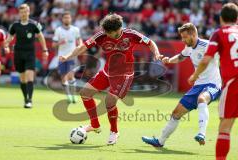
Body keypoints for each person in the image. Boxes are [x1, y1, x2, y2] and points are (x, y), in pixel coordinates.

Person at [59, 13, 162, 145]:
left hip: (124, 75)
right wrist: (68, 56)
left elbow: (150, 42)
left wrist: (156, 53)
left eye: (109, 33)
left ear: (118, 30)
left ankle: (114, 131)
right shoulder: (101, 35)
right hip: (107, 72)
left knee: (109, 101)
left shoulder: (131, 34)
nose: (106, 34)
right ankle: (95, 125)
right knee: (85, 93)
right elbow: (82, 47)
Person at [142, 23, 221, 147]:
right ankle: (160, 141)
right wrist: (168, 60)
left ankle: (201, 134)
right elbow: (180, 57)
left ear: (193, 35)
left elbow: (221, 55)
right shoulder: (189, 48)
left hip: (212, 84)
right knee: (176, 113)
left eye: (185, 37)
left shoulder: (207, 45)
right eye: (182, 37)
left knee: (202, 99)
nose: (183, 40)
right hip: (198, 85)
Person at [188, 3, 238, 160]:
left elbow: (205, 60)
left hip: (234, 82)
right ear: (236, 19)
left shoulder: (219, 33)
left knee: (225, 127)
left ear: (221, 18)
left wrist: (194, 76)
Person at [4, 4, 48, 108]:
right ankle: (25, 98)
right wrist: (6, 45)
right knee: (22, 78)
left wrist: (45, 50)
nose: (24, 14)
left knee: (29, 76)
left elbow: (41, 36)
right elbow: (10, 37)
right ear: (19, 13)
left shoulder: (34, 24)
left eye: (25, 12)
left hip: (30, 54)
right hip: (18, 54)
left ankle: (29, 100)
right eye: (22, 12)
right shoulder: (15, 25)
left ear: (29, 12)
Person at [52, 11, 82, 103]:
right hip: (61, 56)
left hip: (72, 56)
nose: (67, 19)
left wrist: (80, 45)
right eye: (65, 18)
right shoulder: (58, 30)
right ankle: (68, 95)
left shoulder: (75, 29)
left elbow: (79, 40)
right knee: (63, 77)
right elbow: (53, 45)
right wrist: (59, 43)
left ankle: (73, 95)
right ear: (62, 19)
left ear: (71, 19)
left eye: (68, 18)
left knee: (70, 75)